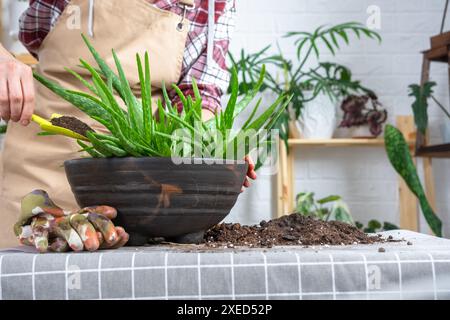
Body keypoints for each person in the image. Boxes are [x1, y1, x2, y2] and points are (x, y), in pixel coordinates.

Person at [0, 0, 257, 249]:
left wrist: (209, 147)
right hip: (41, 164)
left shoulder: (212, 3)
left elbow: (197, 93)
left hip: (137, 191)